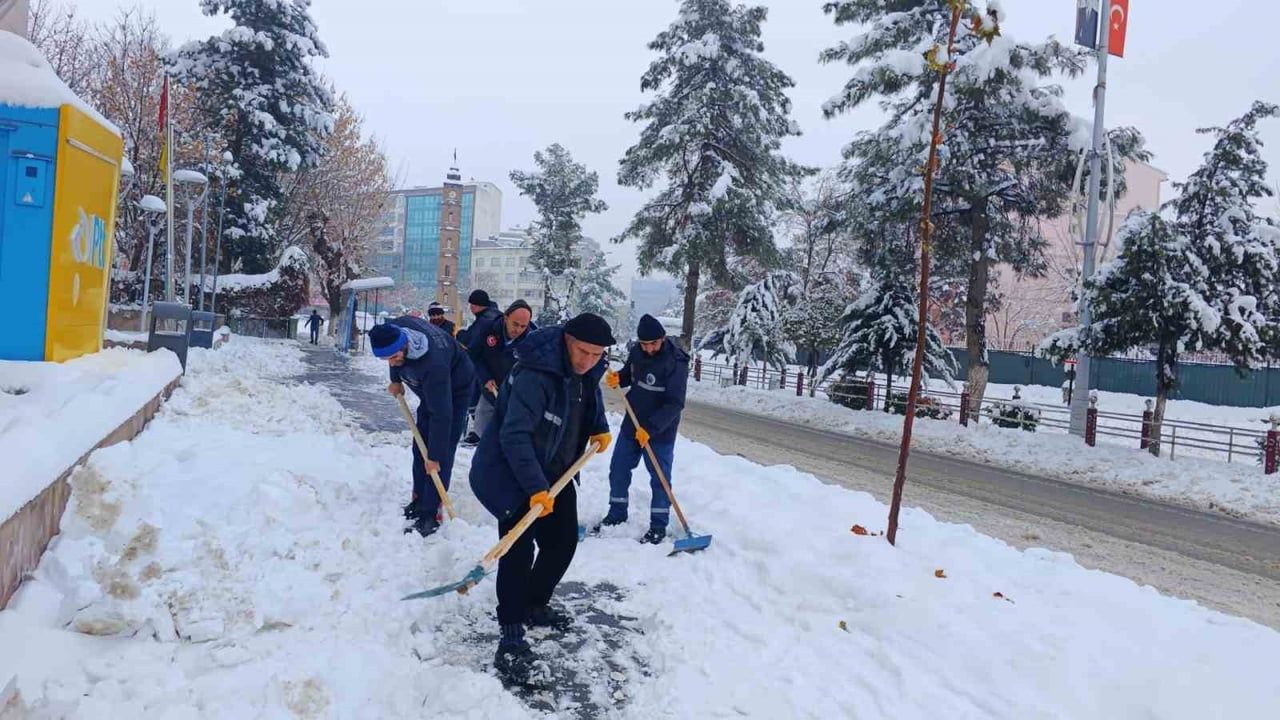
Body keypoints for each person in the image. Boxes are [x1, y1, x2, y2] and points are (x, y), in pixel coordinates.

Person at [468, 313, 614, 685]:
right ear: (567, 339)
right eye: (583, 351)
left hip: (556, 471)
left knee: (562, 542)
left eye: (597, 355)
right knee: (518, 551)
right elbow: (514, 436)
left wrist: (598, 427)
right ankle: (511, 632)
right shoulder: (536, 373)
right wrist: (534, 487)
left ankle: (533, 604)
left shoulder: (587, 368)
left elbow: (588, 395)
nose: (588, 361)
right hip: (514, 472)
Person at [369, 315, 475, 537]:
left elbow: (442, 414)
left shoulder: (432, 364)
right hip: (432, 392)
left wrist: (435, 457)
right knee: (420, 446)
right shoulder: (396, 329)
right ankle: (419, 499)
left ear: (404, 344)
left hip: (456, 389)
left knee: (440, 453)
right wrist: (396, 379)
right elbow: (393, 357)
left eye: (394, 357)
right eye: (386, 359)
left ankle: (431, 512)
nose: (391, 362)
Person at [600, 314, 689, 544]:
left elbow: (675, 403)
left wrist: (651, 428)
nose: (649, 349)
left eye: (653, 344)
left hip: (661, 430)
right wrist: (618, 378)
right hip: (633, 421)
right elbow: (630, 375)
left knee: (659, 478)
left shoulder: (676, 361)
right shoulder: (638, 352)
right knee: (618, 468)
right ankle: (617, 514)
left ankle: (658, 526)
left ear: (662, 338)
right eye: (644, 344)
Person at [467, 299, 537, 440]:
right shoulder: (487, 329)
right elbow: (474, 356)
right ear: (506, 317)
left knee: (511, 435)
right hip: (491, 388)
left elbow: (535, 370)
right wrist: (485, 377)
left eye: (523, 326)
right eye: (515, 324)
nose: (518, 330)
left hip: (516, 393)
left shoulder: (532, 338)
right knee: (483, 430)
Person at [458, 289, 504, 445]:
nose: (470, 308)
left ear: (477, 305)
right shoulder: (495, 315)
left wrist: (460, 336)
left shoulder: (484, 321)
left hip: (487, 370)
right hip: (496, 368)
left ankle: (483, 437)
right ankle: (483, 434)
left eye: (472, 304)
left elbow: (473, 346)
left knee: (482, 405)